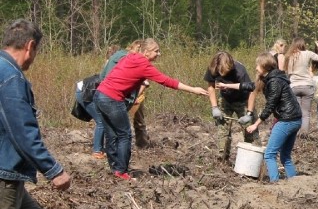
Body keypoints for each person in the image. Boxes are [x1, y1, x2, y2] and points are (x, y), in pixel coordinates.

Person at [0, 19, 96, 209]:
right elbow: (22, 130)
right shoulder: (10, 76)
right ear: (30, 46)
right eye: (37, 51)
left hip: (10, 173)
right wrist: (53, 169)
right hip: (4, 174)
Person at [95, 38, 208, 180]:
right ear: (146, 52)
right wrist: (193, 89)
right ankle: (121, 171)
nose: (159, 54)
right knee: (125, 135)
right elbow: (167, 81)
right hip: (112, 98)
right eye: (156, 51)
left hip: (100, 95)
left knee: (112, 133)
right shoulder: (143, 64)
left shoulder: (131, 57)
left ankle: (115, 168)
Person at [246, 53, 301, 182]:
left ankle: (275, 183)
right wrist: (228, 85)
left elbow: (270, 106)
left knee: (269, 154)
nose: (256, 68)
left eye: (258, 65)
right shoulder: (274, 78)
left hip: (287, 120)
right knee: (285, 156)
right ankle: (296, 183)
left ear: (265, 66)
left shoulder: (274, 82)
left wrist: (255, 124)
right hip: (295, 119)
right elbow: (249, 86)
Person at [205, 51, 259, 163]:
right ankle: (223, 160)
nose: (223, 75)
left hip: (243, 100)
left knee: (250, 131)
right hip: (225, 99)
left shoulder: (240, 70)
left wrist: (249, 113)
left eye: (226, 72)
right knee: (222, 130)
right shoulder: (213, 67)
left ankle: (252, 161)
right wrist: (214, 107)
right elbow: (210, 86)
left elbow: (252, 91)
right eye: (221, 72)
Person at [102, 41, 150, 149]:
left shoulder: (140, 62)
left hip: (135, 96)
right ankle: (114, 146)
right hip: (122, 95)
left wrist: (136, 96)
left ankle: (142, 144)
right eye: (136, 49)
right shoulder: (123, 58)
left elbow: (145, 83)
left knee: (139, 120)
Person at [281, 38, 318, 134]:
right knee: (306, 113)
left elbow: (288, 73)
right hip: (307, 86)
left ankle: (296, 134)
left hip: (294, 87)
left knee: (296, 113)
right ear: (303, 44)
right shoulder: (307, 53)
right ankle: (304, 134)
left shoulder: (289, 56)